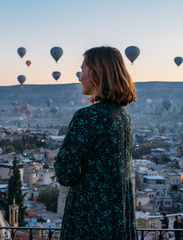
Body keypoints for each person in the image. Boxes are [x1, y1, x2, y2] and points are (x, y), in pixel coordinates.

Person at [54, 46, 137, 239]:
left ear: (97, 73)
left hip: (89, 215)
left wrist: (81, 171)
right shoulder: (123, 117)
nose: (79, 77)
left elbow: (64, 171)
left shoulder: (87, 117)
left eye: (83, 70)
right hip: (119, 216)